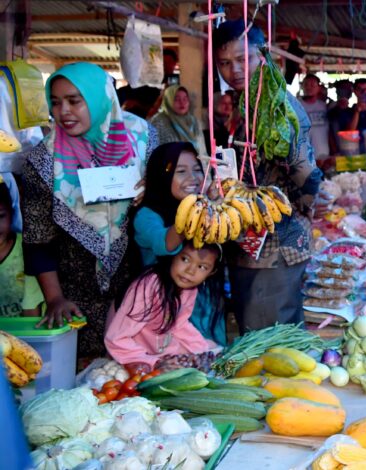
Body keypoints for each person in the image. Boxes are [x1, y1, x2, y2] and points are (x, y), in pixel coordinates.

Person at [22, 62, 155, 357]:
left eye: (74, 100)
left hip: (138, 288)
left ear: (99, 98)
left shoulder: (143, 139)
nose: (63, 112)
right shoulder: (44, 161)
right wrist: (55, 298)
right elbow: (37, 240)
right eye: (55, 103)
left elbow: (176, 189)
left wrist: (154, 186)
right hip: (74, 296)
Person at [214, 20, 322, 332]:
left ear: (262, 56)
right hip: (251, 244)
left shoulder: (275, 106)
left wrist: (303, 208)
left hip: (276, 247)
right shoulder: (246, 102)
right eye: (224, 63)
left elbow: (307, 174)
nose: (233, 70)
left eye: (242, 59)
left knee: (272, 346)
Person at [132, 142, 226, 346]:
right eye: (181, 171)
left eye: (197, 170)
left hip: (204, 304)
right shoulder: (147, 215)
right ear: (162, 177)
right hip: (163, 310)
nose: (193, 178)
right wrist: (196, 211)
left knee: (210, 360)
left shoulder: (205, 206)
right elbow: (165, 243)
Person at [105, 243, 221, 373]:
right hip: (128, 342)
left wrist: (203, 351)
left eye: (202, 267)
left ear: (211, 272)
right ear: (173, 256)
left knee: (209, 348)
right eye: (185, 259)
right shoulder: (150, 283)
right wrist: (153, 362)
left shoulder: (190, 289)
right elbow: (117, 337)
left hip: (157, 339)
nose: (190, 270)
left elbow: (179, 325)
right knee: (145, 371)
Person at [0, 176, 44, 317]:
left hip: (25, 331)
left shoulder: (27, 247)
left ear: (12, 214)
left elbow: (32, 310)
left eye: (0, 216)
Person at [149, 85, 207, 156]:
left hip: (194, 165)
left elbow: (202, 150)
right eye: (176, 99)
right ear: (168, 100)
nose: (182, 103)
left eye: (185, 99)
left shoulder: (193, 121)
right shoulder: (158, 121)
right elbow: (152, 151)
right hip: (169, 166)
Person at [300, 74, 330, 162]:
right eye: (306, 85)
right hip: (304, 158)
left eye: (313, 85)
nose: (309, 87)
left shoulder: (324, 106)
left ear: (319, 88)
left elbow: (329, 132)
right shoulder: (296, 106)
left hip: (324, 155)